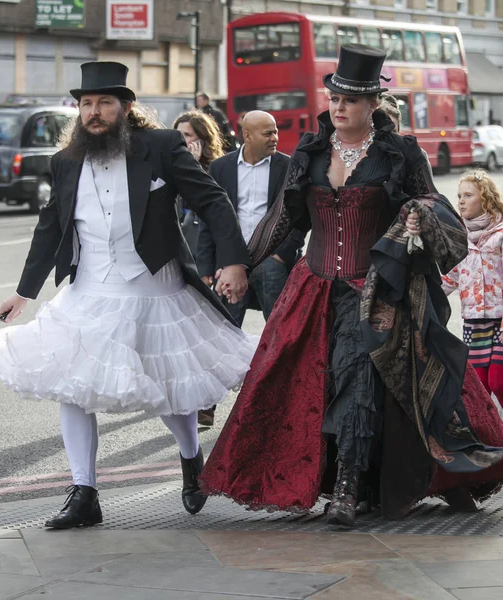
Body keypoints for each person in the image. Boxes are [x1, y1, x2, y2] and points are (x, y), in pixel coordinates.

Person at [200, 45, 503, 527]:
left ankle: (346, 488)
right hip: (315, 285)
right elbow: (284, 217)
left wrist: (417, 213)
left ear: (372, 107)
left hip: (378, 289)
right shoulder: (311, 150)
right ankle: (345, 483)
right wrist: (239, 263)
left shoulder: (400, 153)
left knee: (359, 376)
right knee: (302, 384)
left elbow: (433, 203)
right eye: (334, 97)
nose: (338, 107)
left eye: (351, 101)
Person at [0, 61, 258, 530]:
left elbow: (211, 199)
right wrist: (23, 292)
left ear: (125, 107)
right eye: (86, 104)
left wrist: (233, 261)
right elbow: (50, 227)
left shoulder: (161, 146)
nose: (94, 112)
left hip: (156, 289)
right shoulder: (65, 160)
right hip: (88, 292)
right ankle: (83, 493)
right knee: (71, 388)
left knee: (171, 390)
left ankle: (191, 458)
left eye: (104, 103)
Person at [198, 110, 305, 327]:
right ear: (247, 136)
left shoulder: (289, 167)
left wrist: (281, 256)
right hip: (230, 259)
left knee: (280, 329)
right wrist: (206, 267)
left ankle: (279, 359)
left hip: (271, 260)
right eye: (267, 134)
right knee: (225, 330)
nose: (275, 138)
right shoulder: (221, 167)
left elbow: (300, 217)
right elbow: (211, 218)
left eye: (275, 132)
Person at [443, 170, 503, 415]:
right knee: (479, 386)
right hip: (474, 323)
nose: (461, 201)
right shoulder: (459, 239)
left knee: (499, 381)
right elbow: (450, 278)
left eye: (468, 195)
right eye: (459, 195)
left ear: (486, 199)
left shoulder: (500, 236)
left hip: (501, 321)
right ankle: (491, 436)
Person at [173, 110, 225, 256]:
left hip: (202, 249)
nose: (181, 140)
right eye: (178, 135)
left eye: (187, 135)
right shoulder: (169, 166)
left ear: (203, 140)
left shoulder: (217, 169)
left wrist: (193, 167)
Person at [380, 94, 432, 174]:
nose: (389, 137)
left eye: (393, 131)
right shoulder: (361, 158)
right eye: (383, 131)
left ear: (398, 130)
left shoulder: (416, 156)